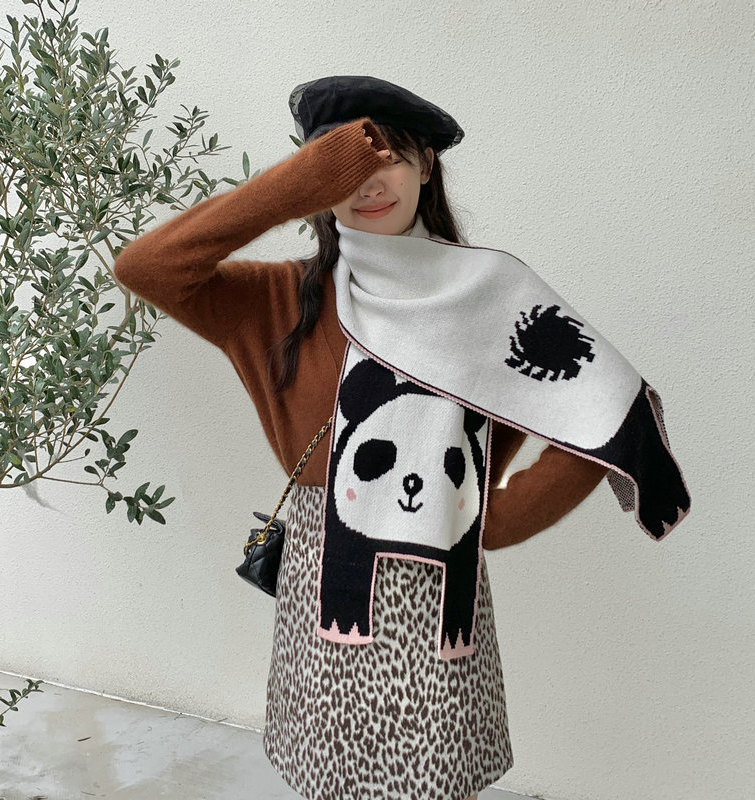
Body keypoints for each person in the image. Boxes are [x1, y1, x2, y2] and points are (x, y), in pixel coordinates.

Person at [112, 75, 618, 800]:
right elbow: (145, 267)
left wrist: (503, 515)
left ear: (426, 166)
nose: (368, 185)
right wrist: (289, 187)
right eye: (341, 172)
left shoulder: (488, 301)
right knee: (332, 775)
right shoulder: (280, 300)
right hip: (325, 588)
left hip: (438, 595)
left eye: (389, 159)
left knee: (432, 778)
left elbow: (607, 408)